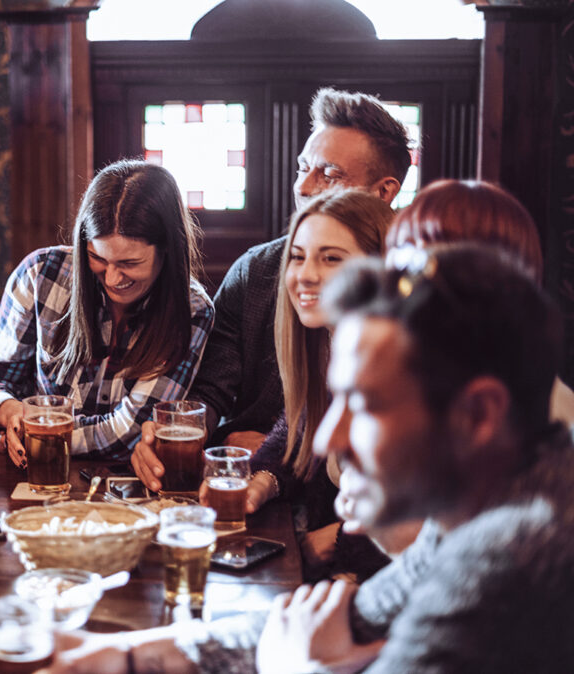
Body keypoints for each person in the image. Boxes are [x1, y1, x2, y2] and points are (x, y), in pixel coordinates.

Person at [38, 245, 574, 673]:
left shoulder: (512, 556)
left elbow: (296, 649)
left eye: (363, 405)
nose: (326, 438)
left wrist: (292, 666)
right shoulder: (473, 510)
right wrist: (114, 658)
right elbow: (336, 622)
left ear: (478, 416)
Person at [180, 87, 411, 453]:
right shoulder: (256, 271)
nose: (303, 186)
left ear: (383, 192)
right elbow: (210, 390)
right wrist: (188, 431)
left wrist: (281, 451)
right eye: (303, 168)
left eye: (329, 174)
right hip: (252, 475)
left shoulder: (410, 290)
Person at [0, 159, 214, 462]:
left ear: (168, 250)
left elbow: (131, 431)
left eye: (129, 264)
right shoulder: (39, 274)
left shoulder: (191, 308)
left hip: (123, 489)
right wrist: (8, 410)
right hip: (31, 476)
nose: (112, 279)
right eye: (97, 258)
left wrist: (40, 429)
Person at [222, 189, 393, 581]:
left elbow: (426, 510)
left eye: (331, 258)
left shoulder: (405, 366)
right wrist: (262, 480)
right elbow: (302, 419)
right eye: (298, 256)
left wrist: (339, 545)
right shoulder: (332, 341)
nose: (306, 274)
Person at [386, 178, 574, 425]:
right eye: (405, 247)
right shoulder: (397, 370)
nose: (413, 266)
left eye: (438, 249)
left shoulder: (548, 414)